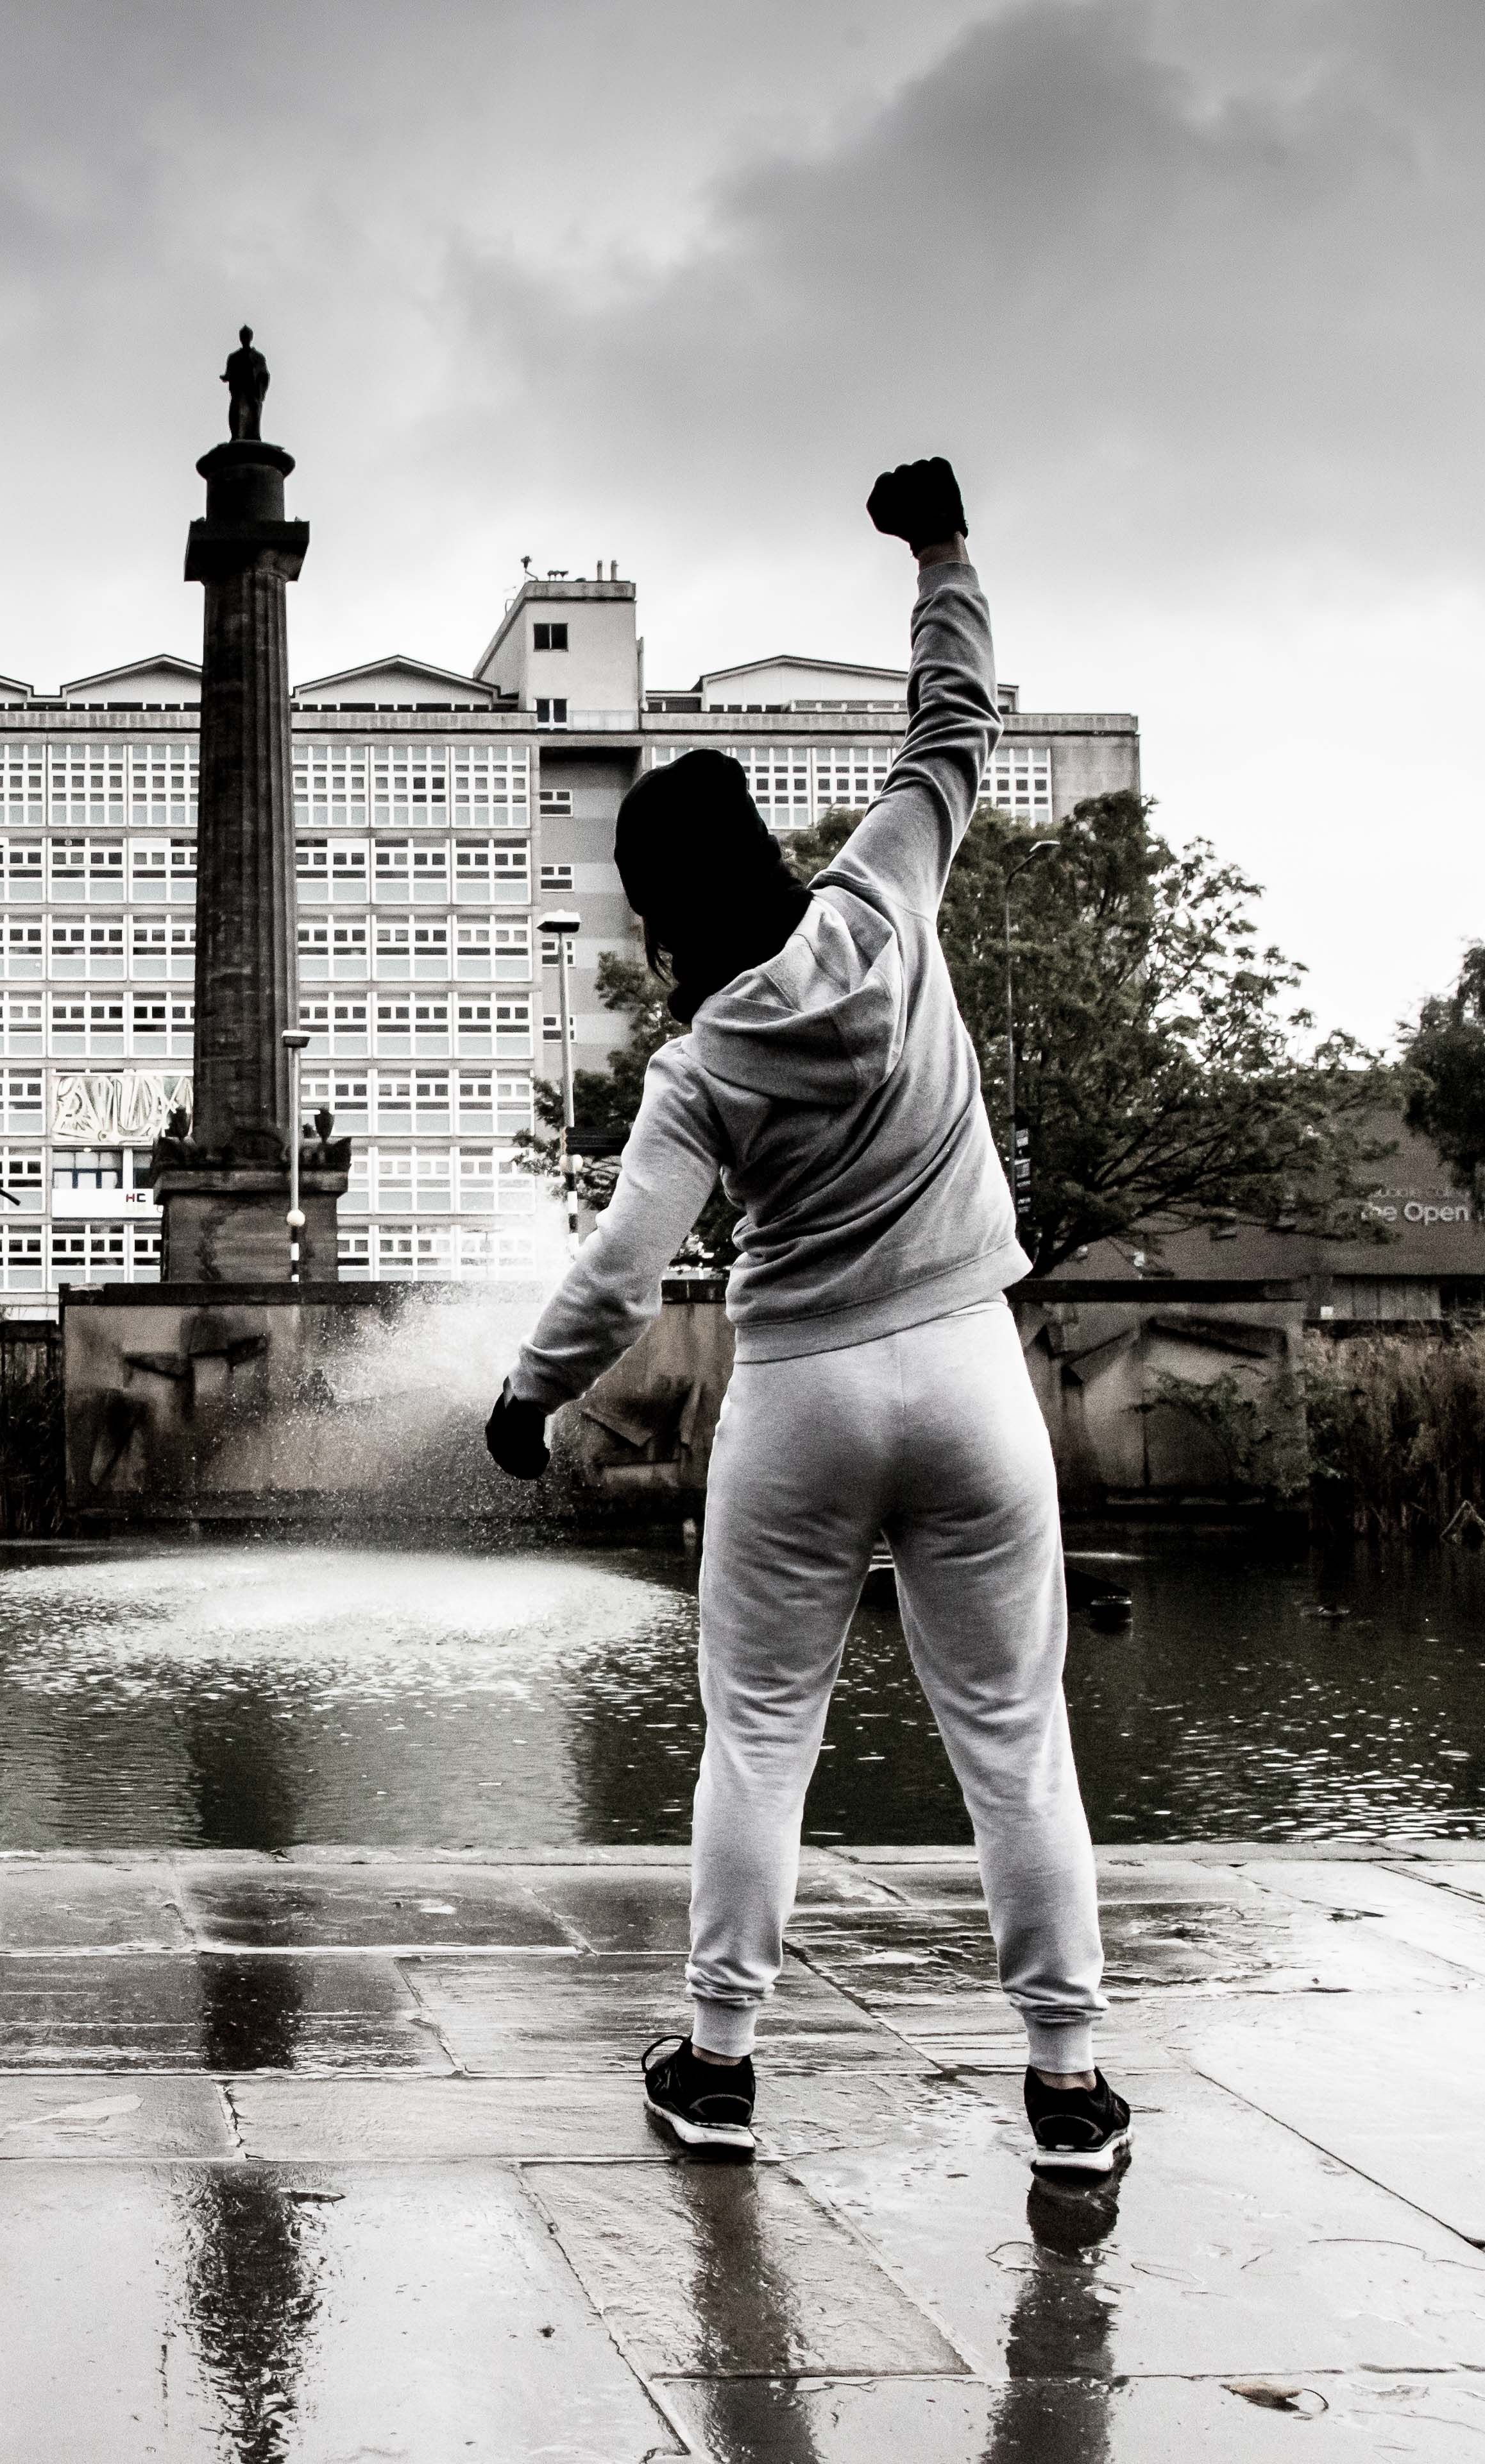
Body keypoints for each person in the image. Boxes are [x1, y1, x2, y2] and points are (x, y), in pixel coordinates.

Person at [482, 459, 1126, 2178]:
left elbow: (622, 1273)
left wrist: (527, 1400)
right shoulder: (886, 897)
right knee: (1016, 1737)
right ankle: (1068, 2090)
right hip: (970, 1379)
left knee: (761, 1739)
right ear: (766, 846)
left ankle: (719, 2067)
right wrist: (942, 551)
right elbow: (955, 719)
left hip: (799, 1400)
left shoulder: (696, 1071)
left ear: (658, 914)